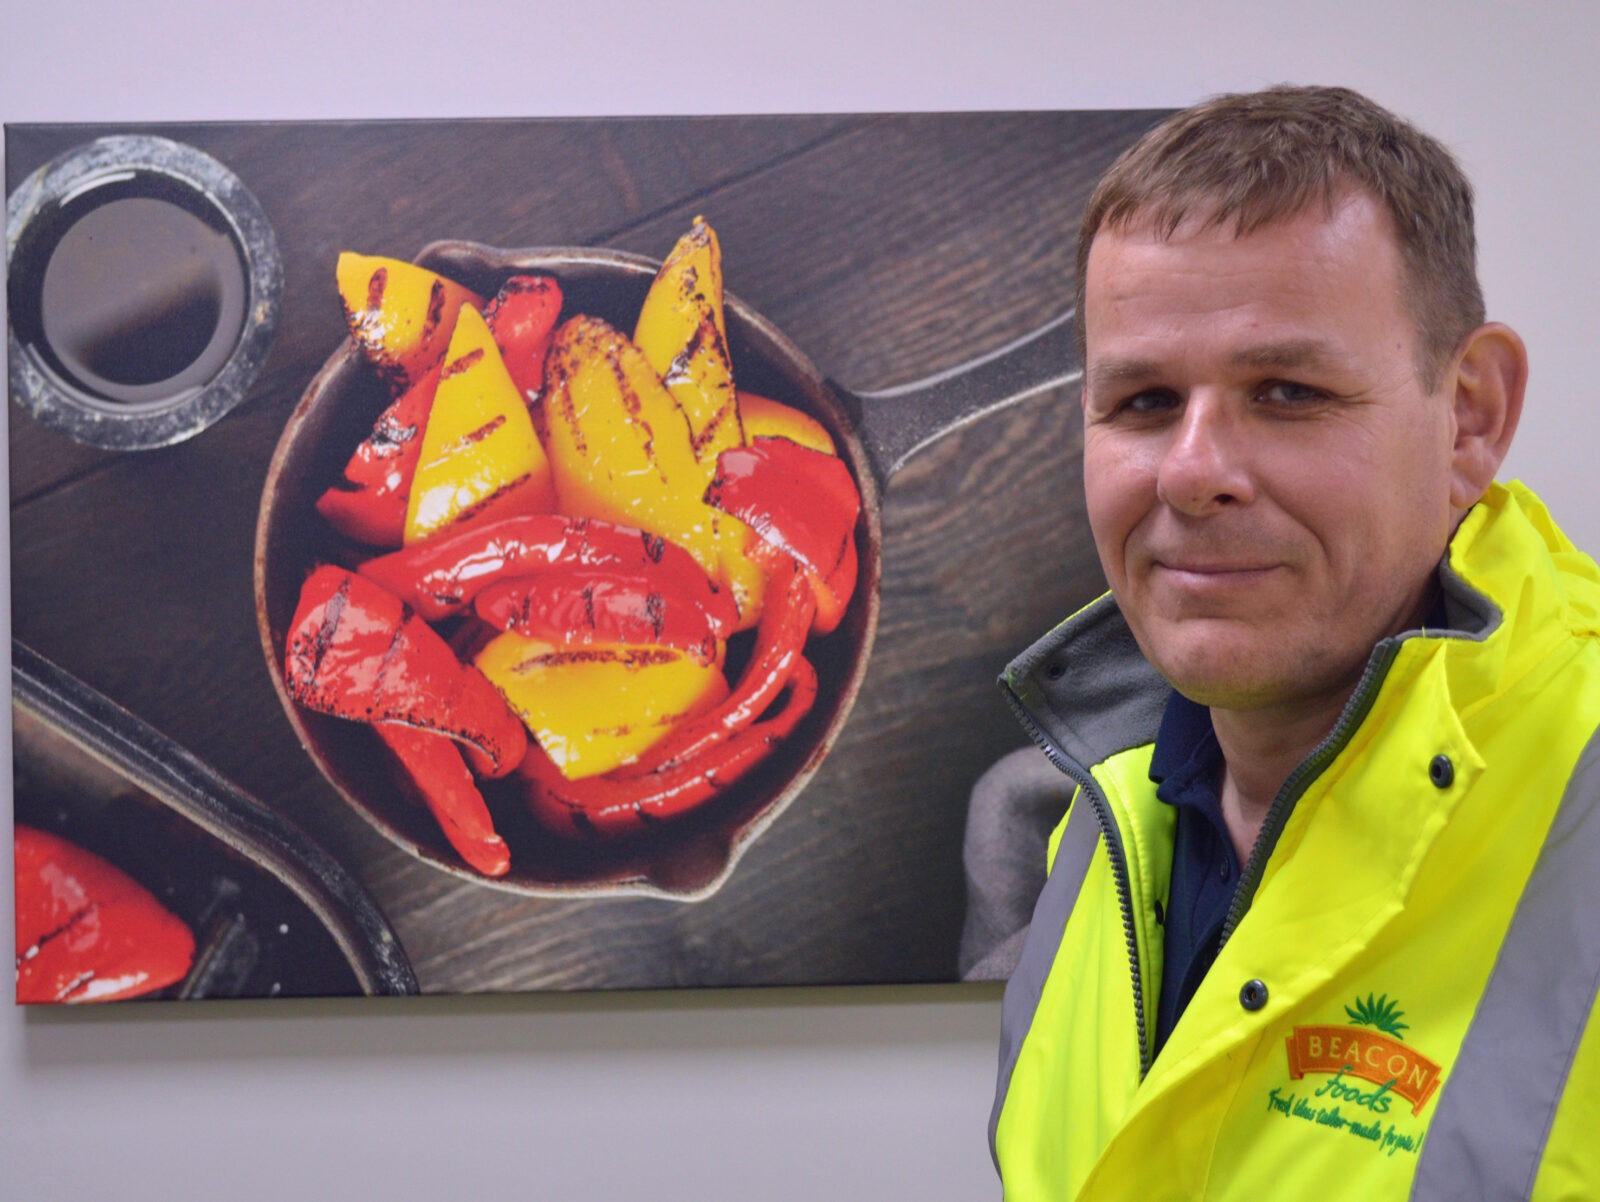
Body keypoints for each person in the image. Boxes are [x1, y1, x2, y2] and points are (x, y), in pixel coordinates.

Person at [972, 84, 1600, 1200]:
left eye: (1287, 391)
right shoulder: (1096, 819)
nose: (1191, 472)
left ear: (1468, 415)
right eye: (1144, 401)